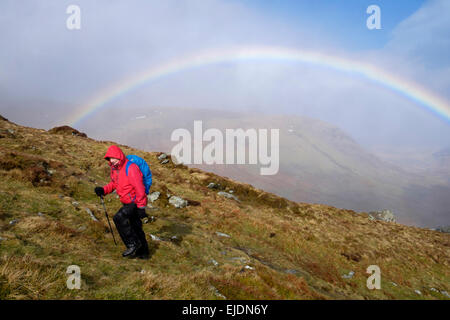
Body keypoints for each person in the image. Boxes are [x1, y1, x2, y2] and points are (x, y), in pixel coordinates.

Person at [94, 145, 149, 259]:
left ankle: (132, 244)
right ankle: (144, 252)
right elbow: (114, 184)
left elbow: (140, 188)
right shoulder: (115, 170)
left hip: (134, 202)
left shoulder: (131, 168)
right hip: (126, 202)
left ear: (118, 156)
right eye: (109, 159)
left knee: (119, 218)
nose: (111, 161)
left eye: (112, 158)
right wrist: (103, 190)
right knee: (135, 227)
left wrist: (141, 207)